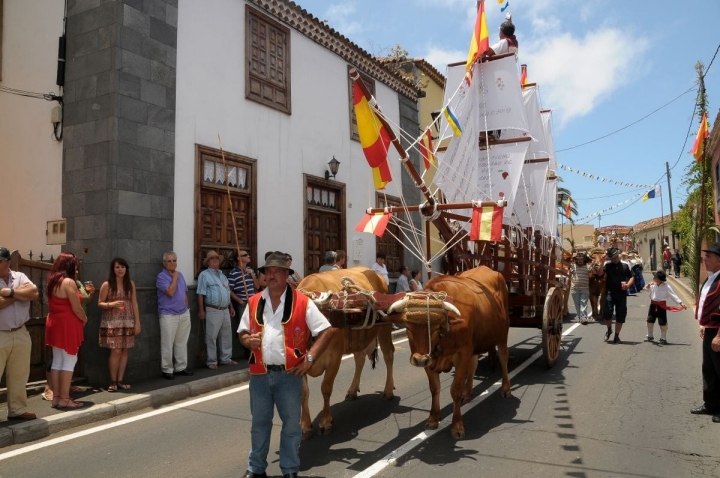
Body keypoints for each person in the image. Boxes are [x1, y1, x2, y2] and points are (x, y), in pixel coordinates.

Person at [238, 252, 334, 478]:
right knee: (259, 424)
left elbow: (327, 330)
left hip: (290, 375)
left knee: (292, 426)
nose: (271, 276)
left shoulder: (302, 302)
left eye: (276, 272)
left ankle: (289, 469)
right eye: (268, 272)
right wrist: (245, 340)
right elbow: (242, 331)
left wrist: (310, 358)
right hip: (260, 375)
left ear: (286, 275)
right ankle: (256, 469)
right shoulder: (254, 302)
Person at [42, 267, 94, 402]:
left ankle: (57, 398)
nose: (76, 271)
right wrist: (84, 318)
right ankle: (65, 398)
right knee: (69, 361)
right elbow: (76, 307)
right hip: (67, 323)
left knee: (58, 361)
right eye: (74, 267)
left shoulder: (53, 281)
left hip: (55, 322)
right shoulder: (69, 282)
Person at [0, 246, 40, 420]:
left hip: (21, 331)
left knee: (19, 374)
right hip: (1, 332)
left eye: (0, 261)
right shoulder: (21, 281)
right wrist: (20, 294)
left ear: (8, 262)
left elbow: (34, 293)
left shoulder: (20, 276)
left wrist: (11, 293)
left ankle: (17, 410)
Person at [98, 257, 141, 391]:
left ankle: (120, 380)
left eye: (123, 267)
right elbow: (100, 303)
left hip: (127, 320)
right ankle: (113, 381)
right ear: (113, 269)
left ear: (126, 269)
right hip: (112, 321)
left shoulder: (130, 284)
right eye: (117, 267)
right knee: (115, 350)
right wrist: (112, 304)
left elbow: (134, 303)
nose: (120, 269)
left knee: (124, 350)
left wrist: (137, 322)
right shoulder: (107, 284)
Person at [691, 242, 720, 423]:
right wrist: (703, 324)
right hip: (709, 329)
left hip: (718, 332)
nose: (704, 260)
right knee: (708, 369)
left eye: (708, 257)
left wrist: (719, 335)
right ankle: (710, 404)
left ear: (719, 260)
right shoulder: (710, 278)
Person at [197, 250, 237, 370]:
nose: (215, 261)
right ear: (208, 262)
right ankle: (212, 361)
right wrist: (201, 310)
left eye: (217, 259)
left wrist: (231, 306)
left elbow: (227, 292)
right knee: (211, 336)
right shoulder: (204, 275)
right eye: (212, 259)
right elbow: (200, 294)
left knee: (226, 334)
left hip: (225, 309)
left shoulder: (222, 275)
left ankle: (225, 358)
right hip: (213, 309)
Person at [156, 251, 193, 380]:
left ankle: (181, 367)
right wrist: (175, 277)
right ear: (164, 263)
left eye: (174, 260)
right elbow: (170, 292)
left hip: (183, 313)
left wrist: (187, 308)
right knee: (167, 343)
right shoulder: (161, 277)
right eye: (169, 261)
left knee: (181, 342)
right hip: (168, 315)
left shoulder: (180, 275)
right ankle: (167, 369)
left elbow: (184, 293)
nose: (172, 263)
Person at [597, 247, 634, 344]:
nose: (615, 259)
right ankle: (609, 329)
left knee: (620, 315)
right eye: (613, 258)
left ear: (619, 256)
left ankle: (616, 336)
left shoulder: (625, 266)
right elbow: (600, 273)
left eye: (616, 257)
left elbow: (631, 277)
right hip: (610, 293)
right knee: (607, 314)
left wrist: (628, 285)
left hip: (621, 294)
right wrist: (602, 261)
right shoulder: (608, 266)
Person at [229, 249, 258, 358]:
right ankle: (247, 350)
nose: (248, 256)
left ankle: (254, 348)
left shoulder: (250, 270)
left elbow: (257, 286)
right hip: (243, 303)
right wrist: (239, 300)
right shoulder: (234, 273)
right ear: (239, 258)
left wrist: (253, 276)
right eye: (245, 255)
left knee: (254, 325)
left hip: (253, 302)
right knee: (244, 327)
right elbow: (229, 290)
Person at [644, 270, 685, 344]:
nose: (653, 278)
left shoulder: (666, 287)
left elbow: (673, 295)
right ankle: (650, 335)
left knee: (662, 321)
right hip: (653, 304)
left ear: (659, 279)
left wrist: (680, 303)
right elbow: (647, 290)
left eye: (655, 277)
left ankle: (663, 337)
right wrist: (648, 286)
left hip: (661, 305)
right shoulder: (653, 285)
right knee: (650, 320)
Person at [570, 253, 593, 325]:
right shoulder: (572, 266)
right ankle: (580, 317)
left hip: (584, 288)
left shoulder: (588, 266)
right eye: (578, 259)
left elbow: (593, 272)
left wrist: (594, 264)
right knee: (577, 304)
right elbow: (569, 273)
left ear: (583, 260)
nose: (580, 261)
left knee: (583, 303)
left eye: (581, 259)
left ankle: (583, 317)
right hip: (575, 288)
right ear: (576, 260)